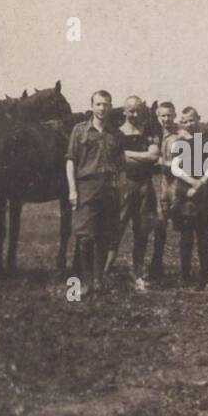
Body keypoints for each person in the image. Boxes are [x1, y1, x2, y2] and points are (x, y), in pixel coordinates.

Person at [66, 90, 125, 295]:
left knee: (103, 236)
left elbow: (121, 166)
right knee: (85, 237)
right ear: (92, 106)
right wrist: (72, 190)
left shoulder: (116, 134)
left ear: (110, 106)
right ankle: (85, 282)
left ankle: (99, 281)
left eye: (106, 104)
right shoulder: (79, 130)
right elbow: (70, 161)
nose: (102, 108)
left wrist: (121, 190)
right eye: (98, 104)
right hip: (86, 187)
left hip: (109, 188)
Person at [112, 95, 161, 291]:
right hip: (125, 185)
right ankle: (103, 272)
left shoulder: (149, 130)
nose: (135, 114)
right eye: (131, 110)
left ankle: (138, 273)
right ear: (124, 111)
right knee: (116, 229)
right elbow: (117, 160)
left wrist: (127, 154)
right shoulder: (117, 133)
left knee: (142, 231)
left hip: (145, 185)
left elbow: (154, 156)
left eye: (139, 110)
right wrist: (143, 157)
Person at [165, 116, 208, 289]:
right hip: (185, 191)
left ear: (199, 119)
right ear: (181, 122)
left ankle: (206, 274)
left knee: (204, 234)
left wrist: (201, 182)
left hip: (203, 191)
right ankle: (185, 274)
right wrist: (192, 182)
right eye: (185, 121)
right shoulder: (180, 142)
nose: (189, 124)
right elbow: (175, 167)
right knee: (186, 234)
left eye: (192, 120)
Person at [147, 100, 178, 282]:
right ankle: (156, 264)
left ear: (174, 116)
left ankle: (187, 270)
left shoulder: (179, 135)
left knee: (185, 225)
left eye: (169, 115)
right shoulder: (154, 133)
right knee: (160, 224)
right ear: (158, 117)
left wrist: (161, 162)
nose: (166, 119)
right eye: (163, 116)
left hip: (176, 184)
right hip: (160, 184)